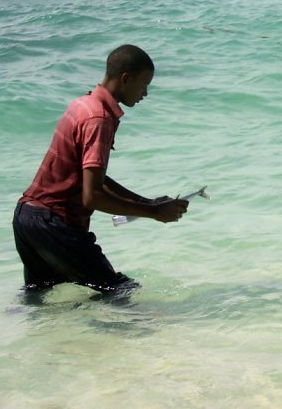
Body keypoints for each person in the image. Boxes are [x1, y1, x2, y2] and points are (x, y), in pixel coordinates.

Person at [13, 44, 188, 298]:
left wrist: (147, 202)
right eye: (144, 84)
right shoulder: (99, 119)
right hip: (54, 223)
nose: (145, 93)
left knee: (40, 300)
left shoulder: (84, 104)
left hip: (26, 218)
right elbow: (91, 196)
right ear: (125, 79)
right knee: (118, 291)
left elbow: (93, 178)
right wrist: (152, 212)